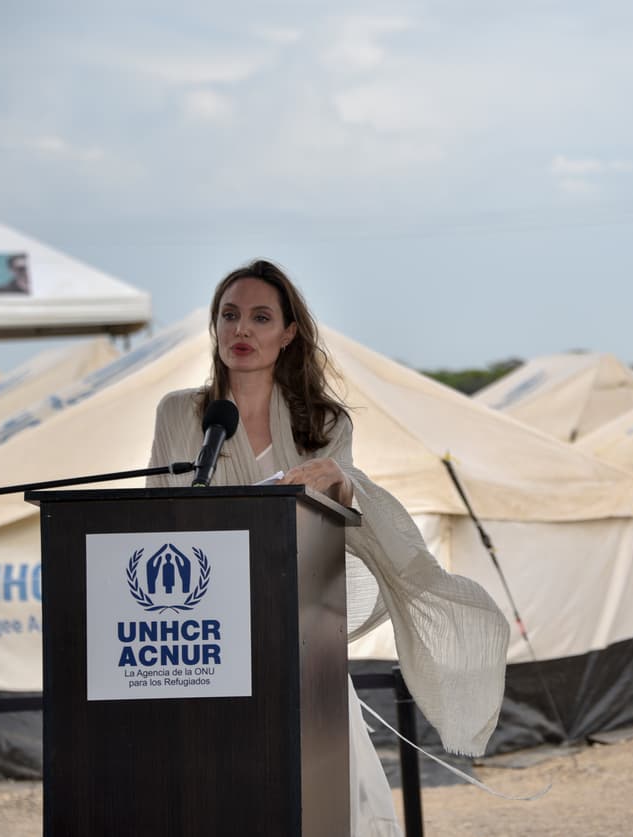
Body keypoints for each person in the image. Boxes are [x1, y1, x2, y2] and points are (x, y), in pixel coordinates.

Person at [147, 259, 512, 835]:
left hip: (295, 636)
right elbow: (156, 521)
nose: (241, 330)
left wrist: (341, 483)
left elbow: (340, 520)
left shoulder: (325, 422)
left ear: (288, 332)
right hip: (202, 640)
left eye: (260, 317)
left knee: (311, 800)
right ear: (214, 327)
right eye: (229, 315)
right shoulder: (179, 413)